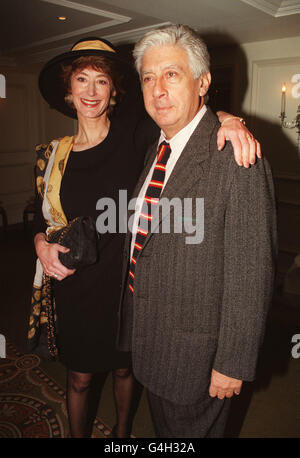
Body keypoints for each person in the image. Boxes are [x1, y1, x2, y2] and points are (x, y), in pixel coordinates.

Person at [28, 36, 262, 438]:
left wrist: (229, 118)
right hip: (77, 288)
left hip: (124, 288)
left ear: (114, 89)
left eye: (100, 81)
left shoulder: (137, 137)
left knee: (126, 371)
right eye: (81, 80)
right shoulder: (52, 153)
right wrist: (38, 243)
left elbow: (185, 122)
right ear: (68, 90)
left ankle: (121, 433)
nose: (90, 91)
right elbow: (39, 215)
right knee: (80, 379)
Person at [117, 25, 277, 438]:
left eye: (172, 74)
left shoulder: (237, 156)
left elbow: (251, 272)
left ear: (203, 82)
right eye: (148, 78)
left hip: (199, 359)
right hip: (152, 343)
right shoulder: (159, 146)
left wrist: (232, 362)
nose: (157, 90)